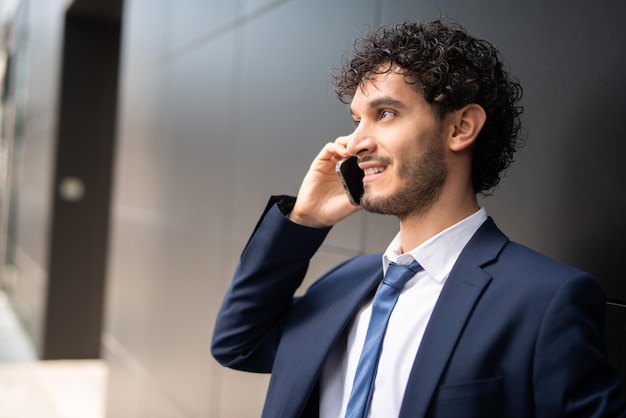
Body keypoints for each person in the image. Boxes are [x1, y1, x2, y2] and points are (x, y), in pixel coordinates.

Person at [211, 19, 626, 418]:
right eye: (357, 120)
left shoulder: (545, 301)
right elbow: (238, 344)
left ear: (461, 127)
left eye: (385, 113)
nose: (353, 143)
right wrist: (303, 221)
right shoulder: (343, 284)